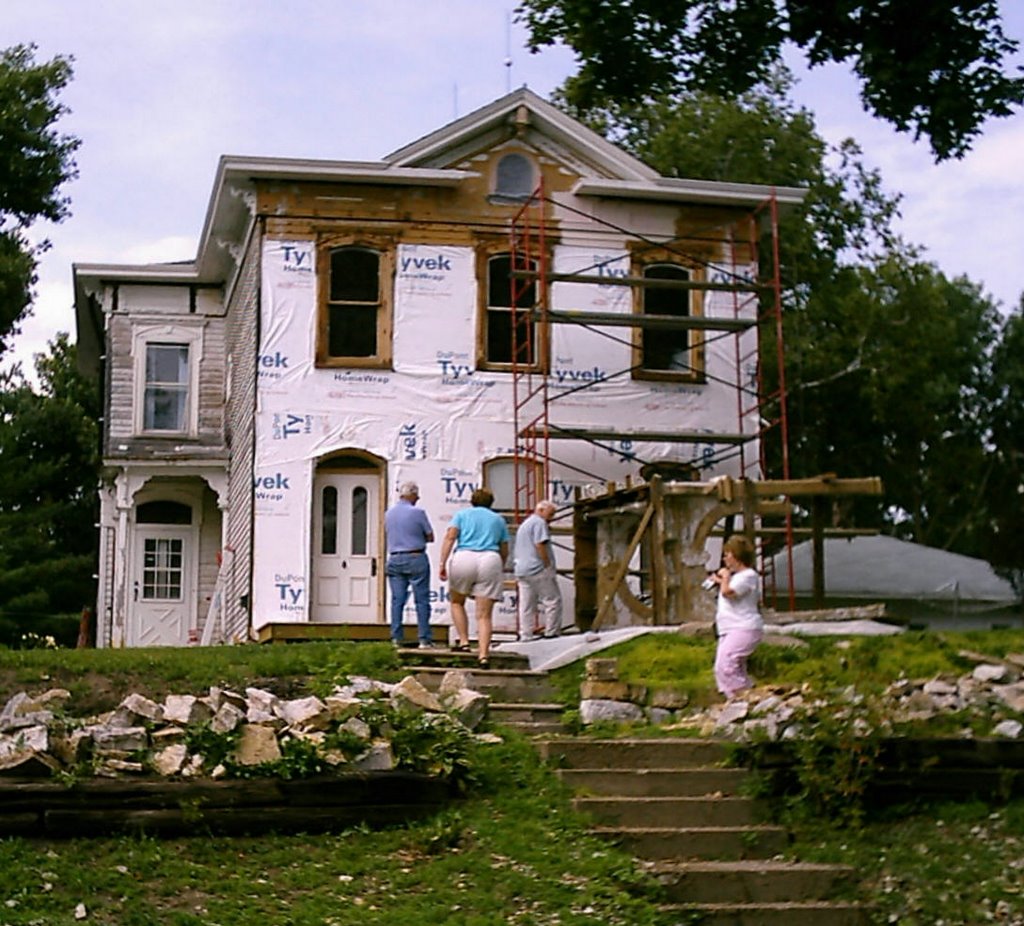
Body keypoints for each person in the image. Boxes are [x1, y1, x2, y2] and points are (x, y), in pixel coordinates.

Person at [438, 487, 510, 668]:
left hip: (464, 556)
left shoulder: (462, 515)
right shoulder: (498, 520)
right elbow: (504, 548)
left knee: (456, 602)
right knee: (484, 615)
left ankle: (463, 641)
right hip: (490, 558)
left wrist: (442, 563)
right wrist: (499, 564)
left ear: (473, 501)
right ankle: (484, 655)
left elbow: (450, 537)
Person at [708, 534, 763, 699]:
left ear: (737, 556)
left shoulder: (749, 576)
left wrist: (724, 577)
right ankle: (739, 697)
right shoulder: (737, 577)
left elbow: (728, 592)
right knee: (723, 667)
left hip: (743, 627)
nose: (725, 558)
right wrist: (719, 580)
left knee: (727, 665)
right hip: (729, 628)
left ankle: (745, 697)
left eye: (728, 554)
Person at [384, 481, 435, 648]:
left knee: (397, 600)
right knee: (421, 600)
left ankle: (396, 638)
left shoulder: (389, 514)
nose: (417, 499)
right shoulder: (418, 512)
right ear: (412, 495)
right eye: (416, 496)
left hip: (395, 558)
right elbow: (430, 536)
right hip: (415, 556)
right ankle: (424, 639)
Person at [513, 500, 562, 641]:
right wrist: (547, 563)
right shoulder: (539, 523)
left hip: (522, 569)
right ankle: (551, 632)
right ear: (540, 510)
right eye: (550, 514)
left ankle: (525, 634)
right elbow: (540, 544)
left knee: (526, 604)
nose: (552, 517)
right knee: (552, 600)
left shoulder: (525, 524)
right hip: (537, 568)